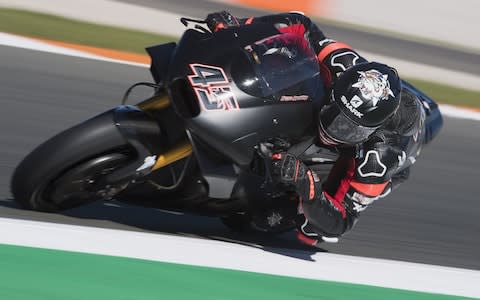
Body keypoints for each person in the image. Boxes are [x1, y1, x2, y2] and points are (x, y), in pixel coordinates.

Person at [205, 11, 427, 245]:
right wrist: (240, 26)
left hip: (365, 158)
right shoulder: (340, 61)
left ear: (369, 131)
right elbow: (301, 24)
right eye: (335, 114)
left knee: (292, 226)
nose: (333, 129)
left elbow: (341, 222)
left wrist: (307, 186)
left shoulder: (378, 161)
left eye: (348, 128)